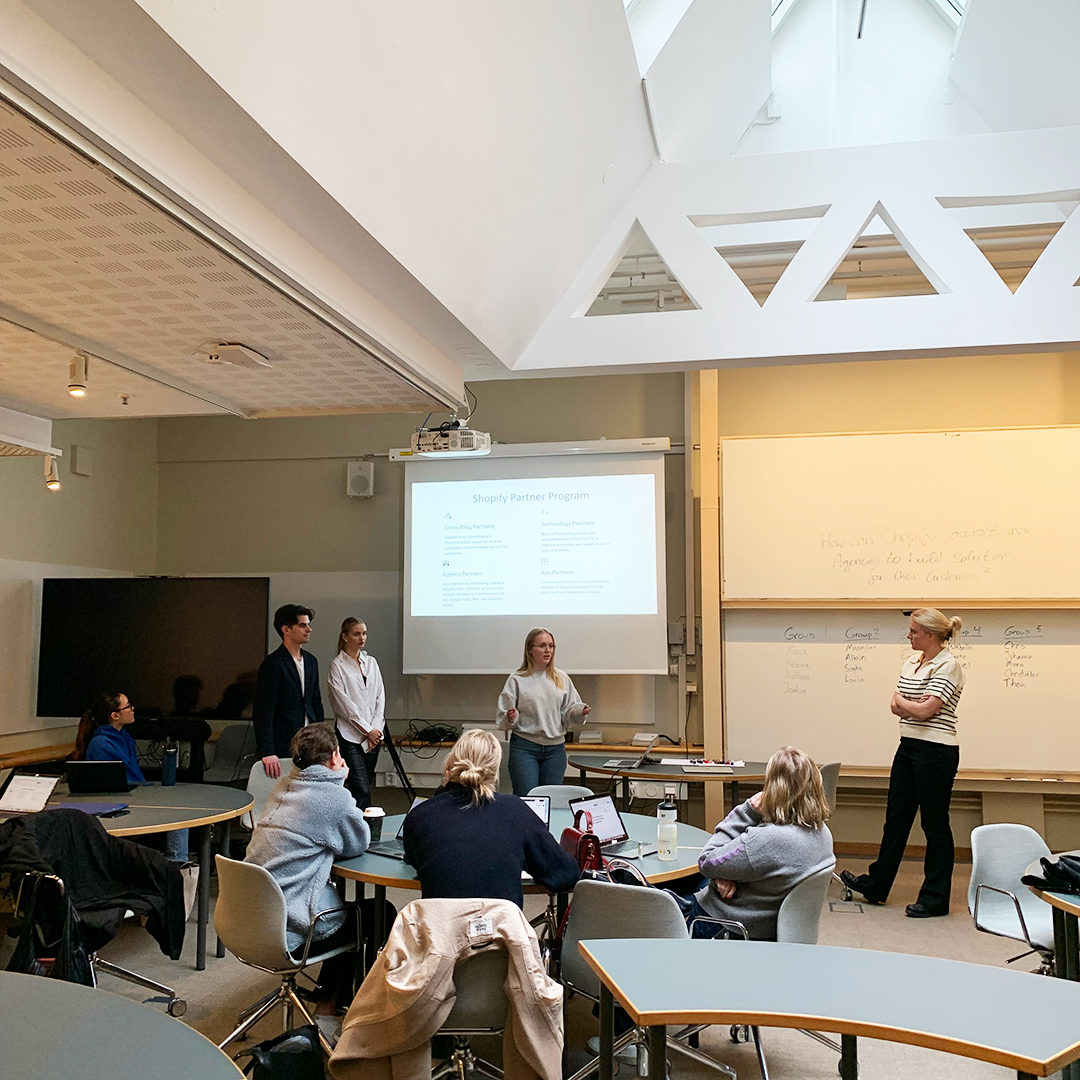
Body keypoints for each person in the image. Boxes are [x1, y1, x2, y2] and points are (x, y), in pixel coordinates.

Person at [841, 608, 965, 918]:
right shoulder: (911, 663)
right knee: (896, 819)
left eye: (913, 631)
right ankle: (876, 885)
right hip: (908, 746)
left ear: (930, 635)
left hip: (936, 751)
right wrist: (913, 705)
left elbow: (926, 711)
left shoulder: (948, 665)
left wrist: (910, 706)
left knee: (934, 824)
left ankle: (935, 899)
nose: (908, 635)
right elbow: (895, 704)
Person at [244, 723, 371, 1022]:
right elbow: (358, 841)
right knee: (373, 915)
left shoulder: (283, 786)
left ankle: (334, 998)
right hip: (287, 923)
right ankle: (329, 1006)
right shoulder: (332, 798)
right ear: (334, 757)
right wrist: (341, 784)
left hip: (249, 915)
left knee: (346, 913)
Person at [674, 746, 834, 941]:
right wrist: (724, 873)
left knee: (665, 892)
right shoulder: (822, 832)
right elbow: (752, 862)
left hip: (728, 924)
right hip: (768, 919)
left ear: (774, 789)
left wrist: (748, 810)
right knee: (703, 880)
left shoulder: (768, 840)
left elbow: (707, 861)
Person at [403, 730, 580, 905]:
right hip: (500, 923)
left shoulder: (420, 816)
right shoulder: (515, 811)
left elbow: (415, 860)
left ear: (449, 765)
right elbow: (564, 875)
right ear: (495, 772)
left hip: (440, 923)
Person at [74, 691, 188, 862]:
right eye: (128, 706)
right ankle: (177, 864)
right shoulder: (101, 744)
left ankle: (178, 862)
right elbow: (124, 781)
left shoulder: (124, 737)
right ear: (115, 716)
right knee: (177, 812)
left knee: (179, 806)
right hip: (121, 804)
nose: (133, 709)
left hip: (132, 796)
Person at [496, 627, 590, 795]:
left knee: (551, 798)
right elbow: (503, 717)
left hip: (555, 749)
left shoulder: (561, 678)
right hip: (525, 747)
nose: (548, 650)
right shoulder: (517, 679)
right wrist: (510, 717)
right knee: (527, 797)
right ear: (530, 650)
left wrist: (579, 712)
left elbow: (568, 712)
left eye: (551, 646)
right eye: (542, 646)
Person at [253, 604, 324, 779]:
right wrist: (267, 751)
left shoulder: (311, 661)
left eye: (308, 625)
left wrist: (322, 740)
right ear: (286, 629)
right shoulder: (273, 664)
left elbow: (315, 702)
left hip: (309, 742)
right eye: (302, 625)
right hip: (283, 741)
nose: (308, 629)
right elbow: (263, 711)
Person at [327, 617, 385, 809]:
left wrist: (375, 730)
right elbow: (344, 706)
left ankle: (363, 824)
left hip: (373, 737)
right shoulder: (337, 666)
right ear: (345, 636)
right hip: (350, 736)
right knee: (360, 789)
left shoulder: (371, 663)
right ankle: (358, 826)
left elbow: (380, 697)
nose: (362, 638)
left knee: (365, 785)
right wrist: (368, 730)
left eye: (364, 633)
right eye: (356, 634)